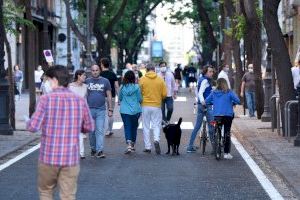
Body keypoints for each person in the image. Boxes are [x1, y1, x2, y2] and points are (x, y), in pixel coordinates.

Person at [26, 65, 94, 200]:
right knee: (68, 195)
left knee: (46, 191)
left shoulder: (46, 100)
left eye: (49, 80)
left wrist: (28, 121)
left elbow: (33, 126)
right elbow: (89, 126)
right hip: (70, 157)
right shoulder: (79, 101)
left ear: (55, 80)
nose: (48, 84)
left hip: (48, 156)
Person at [205, 78, 240, 159]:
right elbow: (238, 101)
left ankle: (217, 139)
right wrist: (233, 102)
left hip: (217, 116)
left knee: (217, 128)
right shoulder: (229, 92)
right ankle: (226, 153)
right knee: (227, 132)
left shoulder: (214, 92)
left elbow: (207, 101)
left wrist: (213, 102)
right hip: (228, 116)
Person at [139, 63, 167, 154]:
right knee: (156, 125)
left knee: (146, 126)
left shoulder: (142, 79)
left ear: (146, 70)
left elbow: (139, 93)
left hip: (145, 105)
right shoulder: (160, 79)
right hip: (156, 106)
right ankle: (156, 140)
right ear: (154, 70)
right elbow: (164, 94)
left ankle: (147, 147)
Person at [86, 64, 113, 158]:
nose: (95, 72)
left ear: (99, 71)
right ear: (91, 71)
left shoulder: (105, 81)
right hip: (89, 110)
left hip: (101, 109)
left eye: (96, 70)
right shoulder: (87, 81)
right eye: (93, 70)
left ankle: (100, 150)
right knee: (91, 132)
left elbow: (109, 95)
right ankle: (93, 148)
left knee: (100, 130)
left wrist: (110, 109)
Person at [187, 65, 214, 153]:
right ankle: (215, 148)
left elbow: (197, 91)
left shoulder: (201, 79)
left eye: (212, 71)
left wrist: (199, 101)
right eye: (210, 71)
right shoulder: (206, 80)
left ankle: (190, 146)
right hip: (206, 105)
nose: (212, 73)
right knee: (211, 126)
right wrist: (203, 101)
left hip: (200, 105)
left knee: (197, 126)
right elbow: (200, 92)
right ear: (206, 72)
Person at [119, 70, 142, 154]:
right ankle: (132, 144)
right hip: (136, 110)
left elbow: (120, 98)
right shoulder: (137, 87)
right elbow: (140, 99)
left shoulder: (122, 87)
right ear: (133, 78)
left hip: (124, 110)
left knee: (127, 126)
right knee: (134, 127)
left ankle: (128, 143)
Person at [69, 69, 88, 159]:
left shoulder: (85, 86)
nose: (85, 77)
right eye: (83, 75)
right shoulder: (70, 86)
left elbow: (85, 100)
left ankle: (81, 153)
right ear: (78, 76)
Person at [100, 58, 119, 136]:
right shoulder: (112, 74)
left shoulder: (100, 75)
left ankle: (103, 129)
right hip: (112, 96)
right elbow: (117, 86)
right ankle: (109, 130)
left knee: (103, 113)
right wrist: (119, 97)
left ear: (102, 65)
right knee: (110, 112)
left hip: (101, 96)